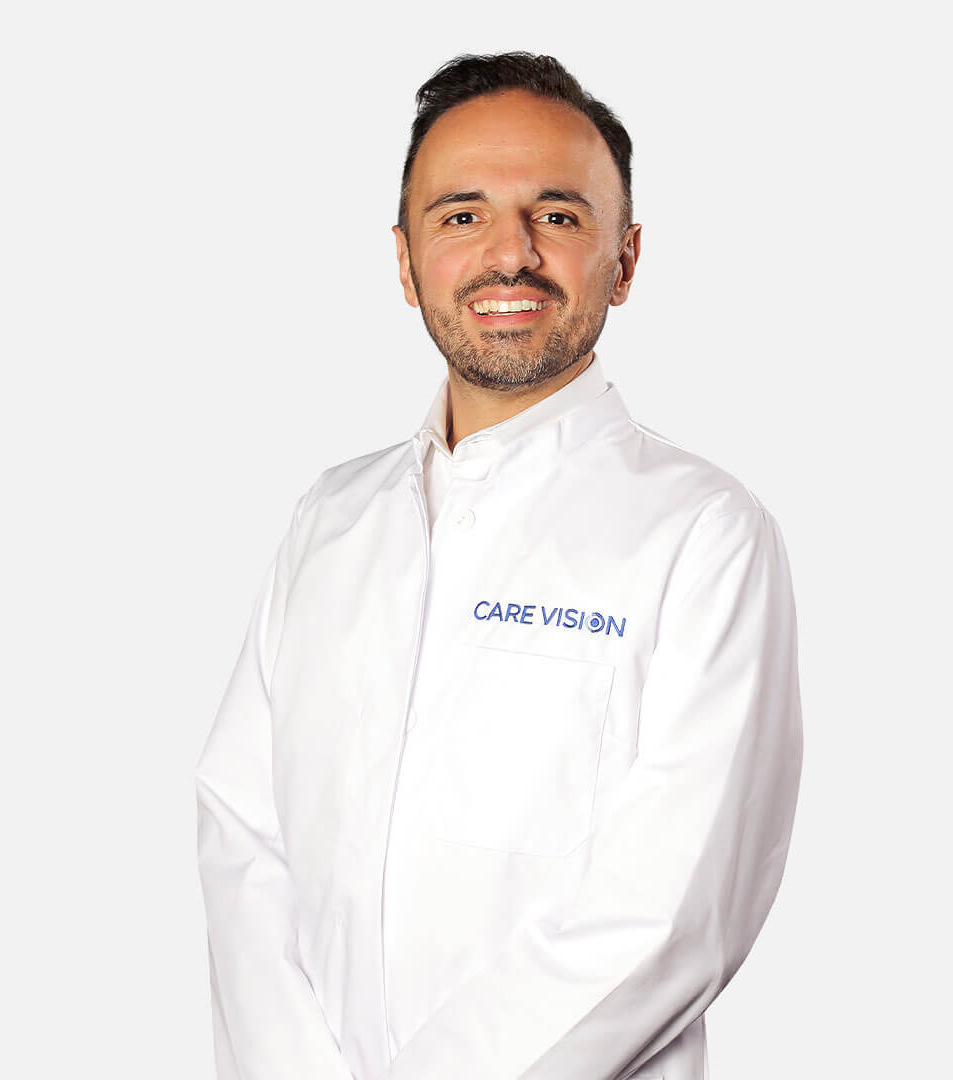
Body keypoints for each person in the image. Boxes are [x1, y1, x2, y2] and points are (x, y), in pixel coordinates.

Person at [195, 51, 803, 1080]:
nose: (509, 254)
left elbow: (671, 915)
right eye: (461, 215)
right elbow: (244, 838)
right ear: (405, 262)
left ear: (625, 259)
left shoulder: (705, 533)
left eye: (557, 215)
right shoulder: (329, 520)